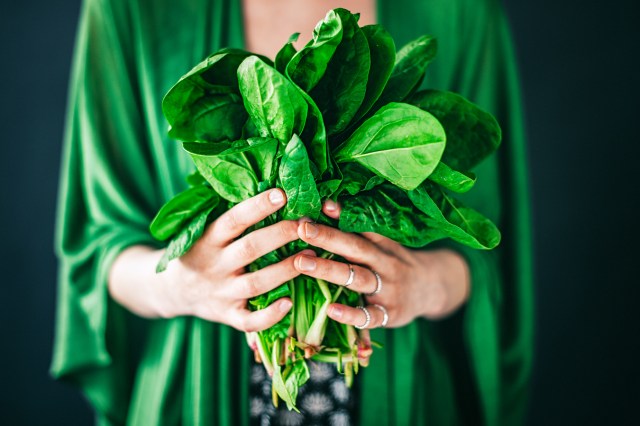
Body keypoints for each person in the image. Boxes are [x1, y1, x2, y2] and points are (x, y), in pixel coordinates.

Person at [51, 0, 533, 425]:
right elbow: (96, 248)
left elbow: (491, 252)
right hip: (195, 394)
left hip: (406, 397)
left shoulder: (463, 10)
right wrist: (183, 284)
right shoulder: (129, 8)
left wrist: (425, 282)